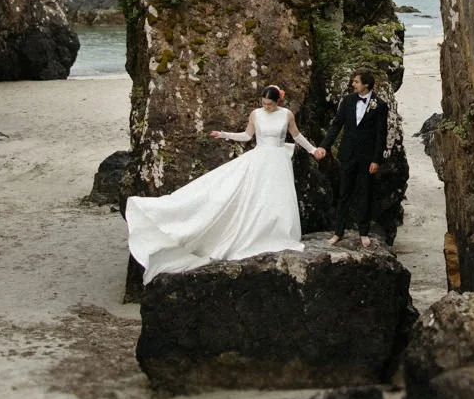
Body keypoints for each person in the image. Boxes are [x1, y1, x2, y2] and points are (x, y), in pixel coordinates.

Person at [123, 85, 327, 281]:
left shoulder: (286, 115)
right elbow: (247, 136)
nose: (266, 107)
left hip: (278, 161)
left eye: (270, 104)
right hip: (260, 158)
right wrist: (224, 135)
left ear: (277, 102)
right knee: (251, 195)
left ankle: (276, 232)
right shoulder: (256, 114)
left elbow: (297, 136)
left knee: (277, 198)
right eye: (263, 103)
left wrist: (312, 150)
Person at [321, 69, 390, 246]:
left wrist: (376, 160)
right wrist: (324, 146)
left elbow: (381, 134)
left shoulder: (379, 105)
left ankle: (364, 232)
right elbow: (336, 125)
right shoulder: (348, 101)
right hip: (348, 154)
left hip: (367, 157)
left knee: (365, 193)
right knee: (343, 192)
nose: (353, 84)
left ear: (366, 84)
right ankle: (338, 232)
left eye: (356, 81)